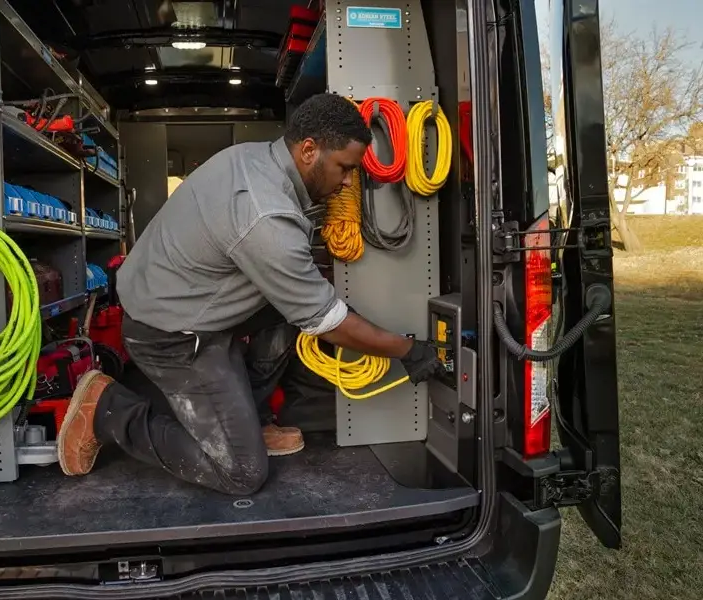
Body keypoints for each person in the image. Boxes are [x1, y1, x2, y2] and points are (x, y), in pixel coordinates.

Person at [56, 94, 441, 495]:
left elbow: (308, 303)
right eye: (344, 168)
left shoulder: (254, 158)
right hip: (171, 335)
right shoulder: (267, 217)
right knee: (240, 472)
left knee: (290, 315)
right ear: (309, 150)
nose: (348, 182)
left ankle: (248, 419)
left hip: (188, 300)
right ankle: (107, 409)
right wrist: (406, 349)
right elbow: (325, 320)